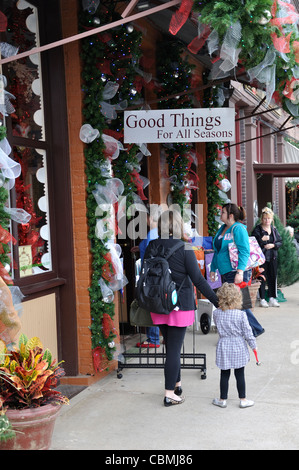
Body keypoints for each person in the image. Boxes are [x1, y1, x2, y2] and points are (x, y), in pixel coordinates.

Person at [143, 209, 219, 407]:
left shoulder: (152, 246)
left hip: (157, 303)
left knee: (170, 347)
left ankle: (176, 384)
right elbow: (198, 281)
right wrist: (217, 301)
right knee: (174, 350)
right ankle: (170, 394)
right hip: (180, 305)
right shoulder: (185, 248)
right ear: (178, 226)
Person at [210, 203, 264, 337]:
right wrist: (213, 269)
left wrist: (240, 272)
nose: (220, 214)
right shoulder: (222, 228)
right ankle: (252, 330)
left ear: (231, 215)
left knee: (238, 304)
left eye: (223, 212)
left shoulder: (238, 229)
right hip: (225, 272)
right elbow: (217, 252)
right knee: (234, 304)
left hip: (236, 272)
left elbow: (244, 251)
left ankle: (255, 329)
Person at [212, 283, 256, 409]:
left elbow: (218, 326)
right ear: (237, 298)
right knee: (240, 374)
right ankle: (243, 399)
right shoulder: (241, 314)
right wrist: (254, 346)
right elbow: (248, 332)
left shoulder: (217, 314)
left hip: (224, 345)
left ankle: (222, 399)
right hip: (238, 345)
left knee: (224, 374)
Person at [136, 205, 162, 348]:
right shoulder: (158, 233)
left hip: (150, 275)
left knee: (152, 305)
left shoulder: (151, 234)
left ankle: (153, 338)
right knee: (159, 304)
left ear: (150, 218)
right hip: (158, 274)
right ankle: (161, 334)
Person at [252, 207, 282, 307]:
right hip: (262, 258)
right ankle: (262, 299)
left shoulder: (274, 230)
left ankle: (272, 298)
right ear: (262, 219)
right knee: (262, 277)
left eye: (269, 218)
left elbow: (280, 241)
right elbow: (253, 242)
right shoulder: (258, 229)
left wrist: (273, 245)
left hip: (272, 257)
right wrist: (261, 239)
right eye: (265, 218)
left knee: (272, 277)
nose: (267, 220)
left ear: (271, 219)